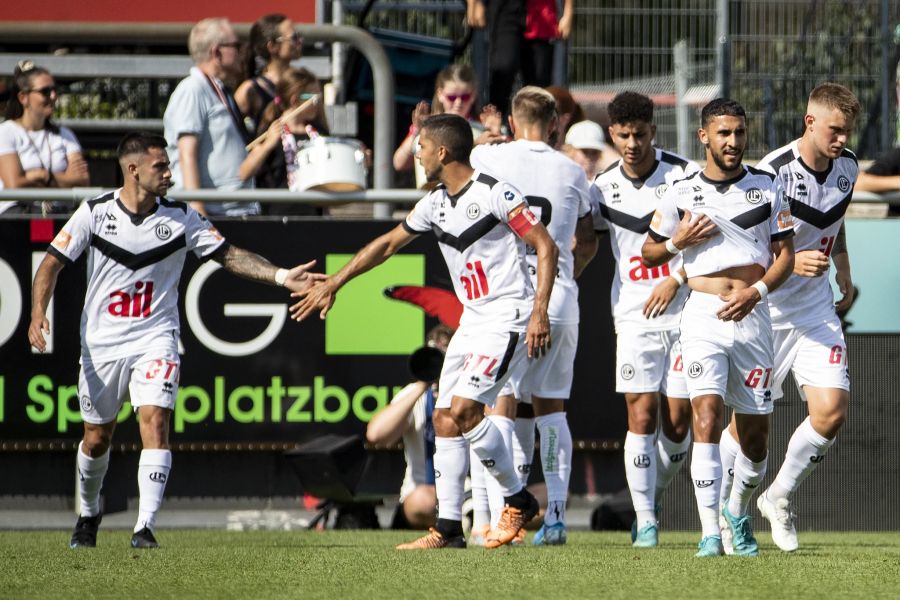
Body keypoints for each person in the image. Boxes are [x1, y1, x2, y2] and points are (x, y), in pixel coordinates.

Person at [28, 132, 320, 549]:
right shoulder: (94, 213)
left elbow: (230, 255)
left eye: (167, 165)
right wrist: (39, 311)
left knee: (156, 420)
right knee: (96, 437)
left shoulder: (182, 218)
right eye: (160, 167)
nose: (169, 173)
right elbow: (51, 265)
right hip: (102, 343)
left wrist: (279, 276)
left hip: (156, 337)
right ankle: (88, 515)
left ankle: (144, 527)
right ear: (132, 171)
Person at [292, 113, 558, 549]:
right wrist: (336, 282)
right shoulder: (434, 203)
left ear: (442, 152)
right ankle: (449, 530)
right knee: (443, 417)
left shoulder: (495, 193)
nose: (415, 155)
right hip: (473, 319)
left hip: (508, 314)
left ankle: (518, 499)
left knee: (469, 410)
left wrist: (539, 312)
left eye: (420, 148)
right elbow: (388, 244)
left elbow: (545, 246)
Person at [642, 98, 795, 557]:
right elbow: (650, 253)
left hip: (753, 314)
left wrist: (757, 293)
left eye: (740, 133)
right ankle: (710, 532)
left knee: (755, 438)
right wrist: (676, 242)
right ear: (703, 136)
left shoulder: (768, 186)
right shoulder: (679, 189)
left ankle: (737, 509)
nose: (733, 141)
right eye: (723, 133)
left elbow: (785, 255)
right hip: (703, 316)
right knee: (705, 417)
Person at [718, 83, 860, 554]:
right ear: (810, 122)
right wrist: (790, 262)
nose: (841, 140)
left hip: (815, 312)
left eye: (847, 131)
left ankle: (777, 498)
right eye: (834, 130)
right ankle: (724, 509)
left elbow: (833, 227)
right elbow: (747, 245)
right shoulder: (772, 173)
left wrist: (843, 270)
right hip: (767, 314)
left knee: (831, 411)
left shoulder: (849, 168)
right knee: (745, 429)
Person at [468, 86, 597, 545]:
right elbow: (587, 238)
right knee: (551, 408)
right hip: (559, 296)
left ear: (510, 119)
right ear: (556, 122)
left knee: (495, 406)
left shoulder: (489, 161)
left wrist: (485, 138)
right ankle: (557, 519)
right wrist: (568, 276)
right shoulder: (573, 171)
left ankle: (490, 519)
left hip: (510, 297)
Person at [593, 91, 699, 548]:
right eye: (623, 135)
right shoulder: (601, 187)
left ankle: (651, 498)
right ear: (612, 135)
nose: (632, 143)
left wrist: (675, 276)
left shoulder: (684, 175)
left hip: (686, 312)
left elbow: (705, 241)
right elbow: (587, 240)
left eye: (639, 134)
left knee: (678, 424)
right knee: (640, 413)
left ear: (653, 131)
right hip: (633, 316)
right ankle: (646, 523)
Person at [163, 17, 258, 217]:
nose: (241, 52)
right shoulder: (193, 89)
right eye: (236, 46)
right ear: (216, 52)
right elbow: (186, 152)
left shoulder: (220, 90)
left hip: (233, 212)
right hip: (211, 215)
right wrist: (197, 209)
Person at [365, 325, 453, 530]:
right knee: (424, 500)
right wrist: (424, 382)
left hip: (471, 491)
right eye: (435, 353)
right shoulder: (416, 394)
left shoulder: (470, 390)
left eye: (446, 353)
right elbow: (376, 435)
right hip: (425, 495)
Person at [0, 60, 89, 214]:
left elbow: (82, 181)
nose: (53, 96)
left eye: (55, 90)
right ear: (23, 97)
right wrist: (63, 179)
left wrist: (40, 176)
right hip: (19, 214)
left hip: (58, 213)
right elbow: (13, 185)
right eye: (45, 91)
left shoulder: (65, 134)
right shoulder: (6, 131)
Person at [393, 64, 501, 189]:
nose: (458, 103)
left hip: (471, 192)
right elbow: (399, 163)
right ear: (440, 94)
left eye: (465, 97)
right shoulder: (428, 125)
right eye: (452, 97)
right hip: (431, 192)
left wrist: (495, 133)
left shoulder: (481, 125)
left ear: (473, 96)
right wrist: (417, 131)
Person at [240, 67, 329, 215]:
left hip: (314, 217)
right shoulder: (270, 131)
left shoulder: (318, 133)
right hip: (275, 217)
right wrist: (268, 145)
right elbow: (244, 173)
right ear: (295, 100)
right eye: (314, 98)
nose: (318, 103)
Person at [235, 14, 304, 134]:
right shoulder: (250, 89)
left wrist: (310, 97)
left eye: (299, 36)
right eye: (293, 38)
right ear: (272, 46)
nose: (299, 41)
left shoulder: (303, 82)